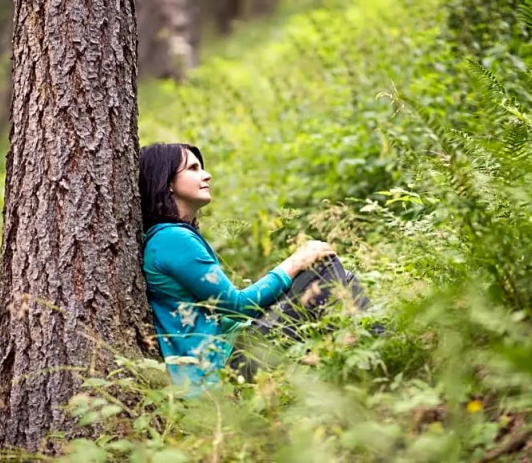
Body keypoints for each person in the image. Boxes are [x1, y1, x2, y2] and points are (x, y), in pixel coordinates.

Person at [138, 143, 368, 395]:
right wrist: (295, 262)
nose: (206, 175)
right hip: (222, 370)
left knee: (342, 279)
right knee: (323, 266)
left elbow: (217, 314)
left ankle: (354, 354)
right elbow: (237, 306)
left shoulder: (167, 238)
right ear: (167, 181)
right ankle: (365, 357)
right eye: (193, 168)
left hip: (224, 361)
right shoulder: (172, 240)